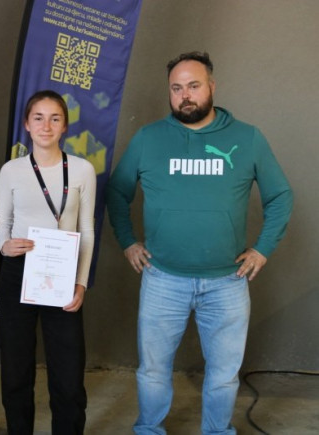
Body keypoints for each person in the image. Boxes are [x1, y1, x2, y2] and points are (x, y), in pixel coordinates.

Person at [106, 51, 293, 434]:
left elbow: (280, 196)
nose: (185, 95)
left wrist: (262, 249)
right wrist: (128, 241)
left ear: (212, 86)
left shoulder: (247, 138)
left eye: (193, 85)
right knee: (153, 370)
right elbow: (117, 192)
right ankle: (149, 430)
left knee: (223, 376)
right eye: (176, 88)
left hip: (227, 283)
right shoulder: (149, 138)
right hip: (162, 280)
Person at [0, 90, 96, 434]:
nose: (46, 126)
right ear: (27, 124)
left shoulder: (82, 170)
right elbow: (2, 224)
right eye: (38, 118)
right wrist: (4, 246)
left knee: (68, 373)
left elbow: (87, 230)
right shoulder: (11, 170)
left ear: (65, 126)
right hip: (18, 272)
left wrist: (81, 283)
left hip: (63, 273)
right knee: (15, 370)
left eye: (55, 118)